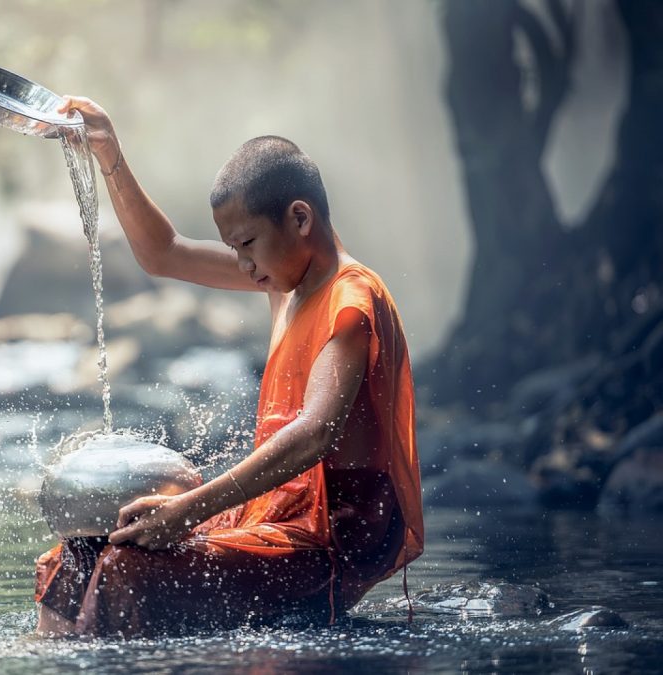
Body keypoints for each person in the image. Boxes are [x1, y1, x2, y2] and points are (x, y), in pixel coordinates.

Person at [34, 96, 424, 638]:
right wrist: (108, 152)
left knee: (125, 569)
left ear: (300, 218)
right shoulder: (284, 277)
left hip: (329, 540)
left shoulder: (349, 299)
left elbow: (315, 433)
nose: (242, 266)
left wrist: (189, 510)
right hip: (272, 515)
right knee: (77, 552)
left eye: (246, 244)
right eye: (232, 248)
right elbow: (164, 253)